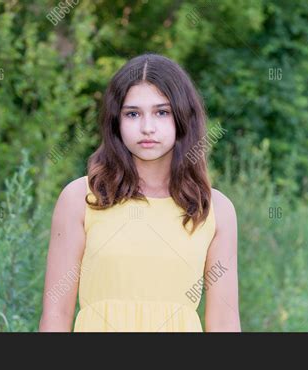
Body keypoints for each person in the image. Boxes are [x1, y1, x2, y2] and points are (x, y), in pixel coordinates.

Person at [39, 53, 240, 332]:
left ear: (183, 118)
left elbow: (224, 323)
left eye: (162, 112)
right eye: (133, 113)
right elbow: (56, 316)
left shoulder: (214, 208)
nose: (147, 127)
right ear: (115, 122)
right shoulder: (80, 198)